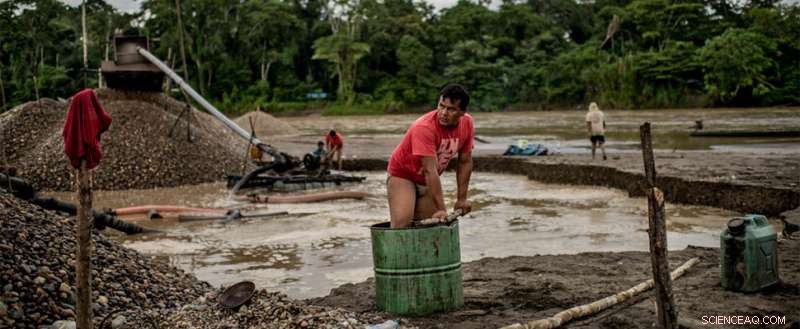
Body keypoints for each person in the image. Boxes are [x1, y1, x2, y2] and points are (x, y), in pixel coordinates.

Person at [387, 84, 474, 228]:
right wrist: (441, 208)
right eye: (441, 106)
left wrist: (462, 199)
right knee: (402, 225)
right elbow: (429, 170)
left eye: (451, 109)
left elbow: (465, 162)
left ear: (462, 112)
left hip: (427, 181)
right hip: (403, 175)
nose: (444, 113)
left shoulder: (467, 123)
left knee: (435, 225)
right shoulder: (424, 127)